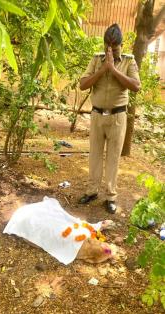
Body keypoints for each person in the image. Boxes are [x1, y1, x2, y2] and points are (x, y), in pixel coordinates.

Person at [78, 24, 141, 214]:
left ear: (121, 45)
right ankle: (92, 191)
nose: (111, 51)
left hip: (117, 117)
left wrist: (113, 69)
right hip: (97, 115)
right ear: (104, 44)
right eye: (108, 47)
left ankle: (111, 197)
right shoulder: (97, 59)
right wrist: (103, 68)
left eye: (115, 48)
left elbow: (136, 86)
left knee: (113, 158)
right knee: (94, 155)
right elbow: (82, 84)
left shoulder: (129, 61)